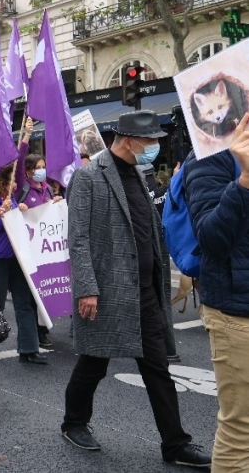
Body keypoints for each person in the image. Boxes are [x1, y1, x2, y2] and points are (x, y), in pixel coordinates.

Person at [61, 111, 210, 468]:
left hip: (144, 291)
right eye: (151, 141)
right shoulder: (88, 177)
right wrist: (86, 289)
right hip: (107, 290)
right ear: (129, 141)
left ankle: (175, 444)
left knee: (157, 368)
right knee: (94, 363)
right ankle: (74, 422)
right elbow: (78, 239)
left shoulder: (138, 175)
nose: (156, 147)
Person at [186, 113, 249, 471]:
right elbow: (210, 237)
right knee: (240, 431)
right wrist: (245, 180)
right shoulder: (209, 154)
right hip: (237, 315)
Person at [0, 165, 47, 364]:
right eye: (10, 182)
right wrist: (2, 216)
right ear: (1, 183)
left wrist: (21, 211)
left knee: (24, 303)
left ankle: (29, 348)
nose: (15, 185)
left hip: (18, 258)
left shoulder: (13, 200)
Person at [15, 152, 61, 349]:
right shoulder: (23, 189)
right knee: (32, 293)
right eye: (37, 167)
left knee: (45, 289)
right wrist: (20, 208)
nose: (41, 170)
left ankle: (43, 327)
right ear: (28, 170)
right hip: (29, 248)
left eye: (43, 166)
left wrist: (58, 204)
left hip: (46, 249)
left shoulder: (48, 189)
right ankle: (37, 331)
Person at [138, 162, 180, 363]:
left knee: (146, 299)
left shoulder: (137, 192)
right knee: (163, 300)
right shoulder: (165, 191)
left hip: (144, 250)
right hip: (163, 248)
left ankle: (152, 347)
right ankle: (169, 348)